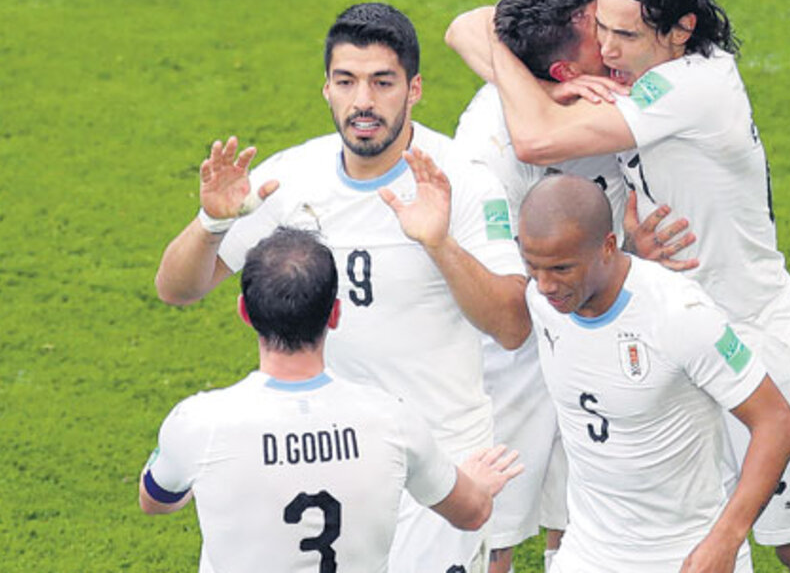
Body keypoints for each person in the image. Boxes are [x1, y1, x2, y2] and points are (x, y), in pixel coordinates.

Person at [453, 0, 790, 572]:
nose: (608, 53)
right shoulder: (649, 66)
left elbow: (534, 137)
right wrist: (540, 73)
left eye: (624, 34)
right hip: (676, 341)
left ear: (680, 30)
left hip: (757, 336)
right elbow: (468, 24)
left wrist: (530, 78)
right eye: (602, 30)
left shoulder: (689, 87)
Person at [154, 2, 531, 572]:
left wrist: (438, 244)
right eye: (347, 81)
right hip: (334, 460)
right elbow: (176, 289)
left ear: (415, 89)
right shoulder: (291, 178)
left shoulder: (464, 181)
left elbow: (511, 325)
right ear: (326, 89)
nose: (363, 102)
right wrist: (212, 224)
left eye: (382, 82)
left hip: (441, 463)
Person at [449, 0, 697, 573]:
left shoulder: (614, 95)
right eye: (598, 34)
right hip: (510, 372)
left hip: (602, 343)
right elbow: (506, 310)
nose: (614, 41)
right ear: (563, 73)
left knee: (583, 527)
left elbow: (469, 25)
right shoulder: (489, 149)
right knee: (493, 538)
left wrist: (630, 258)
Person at [139, 228, 523, 573]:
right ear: (335, 314)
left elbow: (155, 500)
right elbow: (471, 513)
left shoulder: (199, 423)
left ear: (246, 313)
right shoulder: (392, 420)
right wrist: (479, 484)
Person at [517, 174, 790, 573]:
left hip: (685, 557)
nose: (545, 284)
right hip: (587, 554)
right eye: (533, 266)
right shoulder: (543, 301)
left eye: (562, 268)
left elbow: (777, 421)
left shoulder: (680, 316)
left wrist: (727, 538)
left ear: (607, 248)